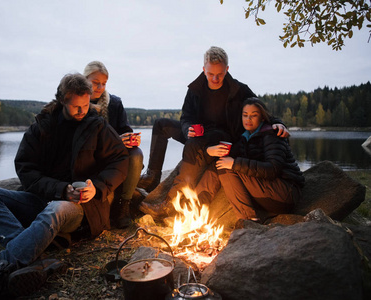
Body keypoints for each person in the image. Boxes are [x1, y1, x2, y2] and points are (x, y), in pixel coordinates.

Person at [0, 73, 129, 300]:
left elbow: (120, 160)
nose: (82, 111)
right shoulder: (42, 126)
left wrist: (97, 188)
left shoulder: (97, 125)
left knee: (56, 209)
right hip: (41, 199)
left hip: (80, 208)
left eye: (85, 105)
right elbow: (25, 168)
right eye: (75, 107)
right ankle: (35, 256)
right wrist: (60, 189)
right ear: (62, 100)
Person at [139, 46, 289, 219]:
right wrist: (188, 130)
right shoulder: (195, 89)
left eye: (220, 74)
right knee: (160, 124)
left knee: (195, 146)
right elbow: (186, 116)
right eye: (211, 74)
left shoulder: (238, 89)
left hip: (222, 137)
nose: (215, 78)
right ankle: (152, 177)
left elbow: (259, 109)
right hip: (197, 134)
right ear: (204, 70)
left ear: (227, 69)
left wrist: (278, 123)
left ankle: (170, 203)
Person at [215, 97, 304, 222]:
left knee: (229, 167)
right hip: (269, 192)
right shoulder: (245, 137)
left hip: (285, 193)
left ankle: (248, 220)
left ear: (262, 117)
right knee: (223, 165)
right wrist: (210, 150)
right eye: (245, 115)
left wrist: (235, 164)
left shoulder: (273, 135)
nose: (248, 119)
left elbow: (273, 169)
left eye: (254, 115)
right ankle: (249, 217)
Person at [83, 61, 143, 229]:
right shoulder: (79, 105)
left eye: (104, 83)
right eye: (96, 83)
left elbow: (125, 129)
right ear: (85, 79)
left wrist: (130, 139)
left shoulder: (114, 103)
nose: (100, 87)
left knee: (136, 154)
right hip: (92, 158)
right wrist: (117, 141)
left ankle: (124, 205)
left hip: (115, 157)